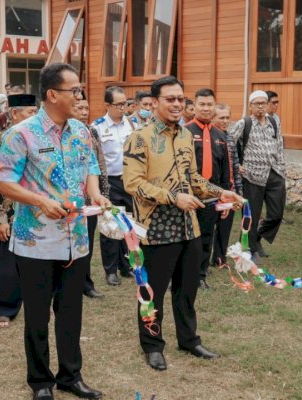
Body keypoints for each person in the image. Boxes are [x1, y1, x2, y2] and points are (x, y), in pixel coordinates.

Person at [0, 63, 108, 400]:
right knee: (38, 316)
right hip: (36, 242)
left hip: (77, 239)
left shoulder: (81, 130)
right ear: (52, 94)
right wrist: (39, 201)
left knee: (71, 312)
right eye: (74, 89)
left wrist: (96, 193)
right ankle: (40, 382)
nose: (80, 95)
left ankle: (71, 376)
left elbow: (90, 166)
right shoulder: (21, 133)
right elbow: (2, 181)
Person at [123, 76, 244, 371]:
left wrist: (220, 191)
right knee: (152, 292)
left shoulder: (185, 136)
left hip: (189, 226)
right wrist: (172, 197)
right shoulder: (140, 137)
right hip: (156, 227)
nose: (177, 104)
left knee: (187, 288)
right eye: (170, 99)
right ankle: (152, 345)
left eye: (180, 99)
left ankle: (188, 339)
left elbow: (193, 179)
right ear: (154, 102)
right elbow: (132, 183)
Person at [0, 94, 38, 328]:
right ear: (15, 113)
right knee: (9, 262)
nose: (35, 116)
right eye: (30, 112)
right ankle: (5, 308)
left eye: (36, 112)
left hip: (37, 209)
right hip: (10, 210)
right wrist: (0, 217)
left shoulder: (39, 137)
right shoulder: (2, 139)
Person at [227, 90, 286, 264]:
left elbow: (280, 145)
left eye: (263, 103)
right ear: (250, 105)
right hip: (253, 175)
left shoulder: (274, 122)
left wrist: (282, 168)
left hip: (275, 173)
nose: (261, 106)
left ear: (267, 104)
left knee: (276, 214)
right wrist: (236, 165)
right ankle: (251, 249)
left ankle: (254, 238)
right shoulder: (244, 123)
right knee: (251, 214)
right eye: (257, 103)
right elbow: (228, 142)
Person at [185, 89, 233, 289]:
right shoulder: (184, 132)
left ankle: (200, 276)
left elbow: (225, 172)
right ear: (194, 106)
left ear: (214, 106)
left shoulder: (220, 136)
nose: (205, 108)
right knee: (184, 239)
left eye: (209, 104)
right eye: (202, 104)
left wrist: (225, 199)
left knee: (206, 238)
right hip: (186, 197)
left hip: (211, 198)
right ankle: (179, 276)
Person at [91, 86, 135, 286]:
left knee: (129, 225)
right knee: (110, 226)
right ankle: (110, 271)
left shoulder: (132, 125)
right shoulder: (97, 127)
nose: (122, 108)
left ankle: (127, 266)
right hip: (109, 182)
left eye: (124, 104)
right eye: (118, 104)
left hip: (130, 181)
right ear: (107, 105)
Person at [74, 93, 110, 299]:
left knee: (86, 243)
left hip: (90, 199)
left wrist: (103, 193)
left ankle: (86, 284)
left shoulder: (91, 131)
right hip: (69, 201)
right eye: (79, 108)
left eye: (86, 108)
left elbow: (99, 163)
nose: (84, 112)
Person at [211, 103, 243, 266]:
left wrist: (239, 191)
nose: (225, 121)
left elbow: (236, 166)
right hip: (212, 189)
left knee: (225, 225)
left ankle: (219, 257)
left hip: (229, 189)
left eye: (227, 117)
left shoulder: (230, 138)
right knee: (209, 226)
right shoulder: (209, 137)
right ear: (213, 118)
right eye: (221, 117)